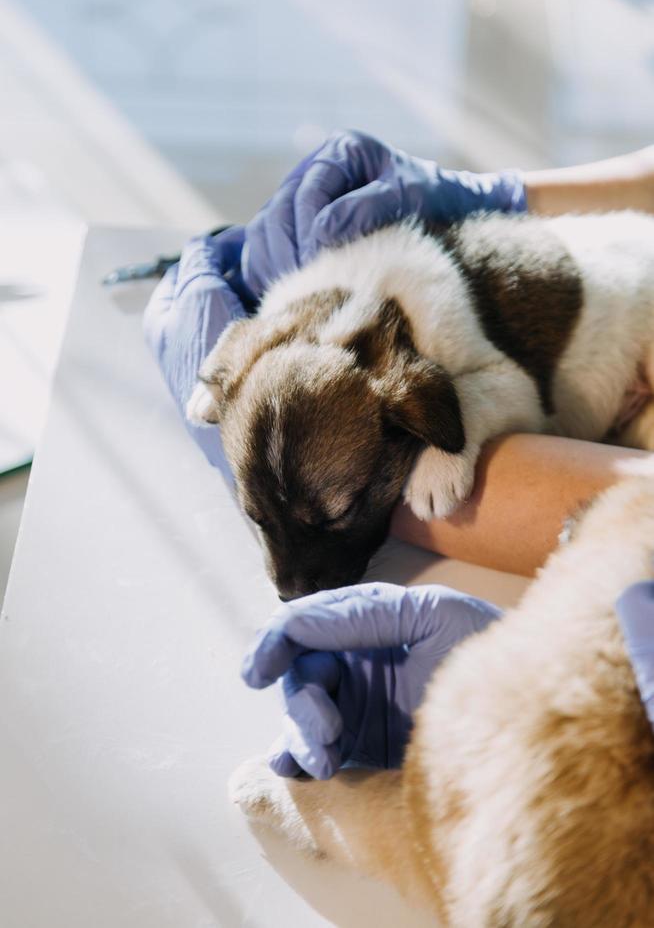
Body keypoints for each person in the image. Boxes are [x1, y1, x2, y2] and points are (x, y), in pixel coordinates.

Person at [143, 130, 654, 769]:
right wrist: (516, 190)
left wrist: (452, 441)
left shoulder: (424, 361)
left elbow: (504, 405)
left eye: (332, 516)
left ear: (416, 411)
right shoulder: (285, 325)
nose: (290, 581)